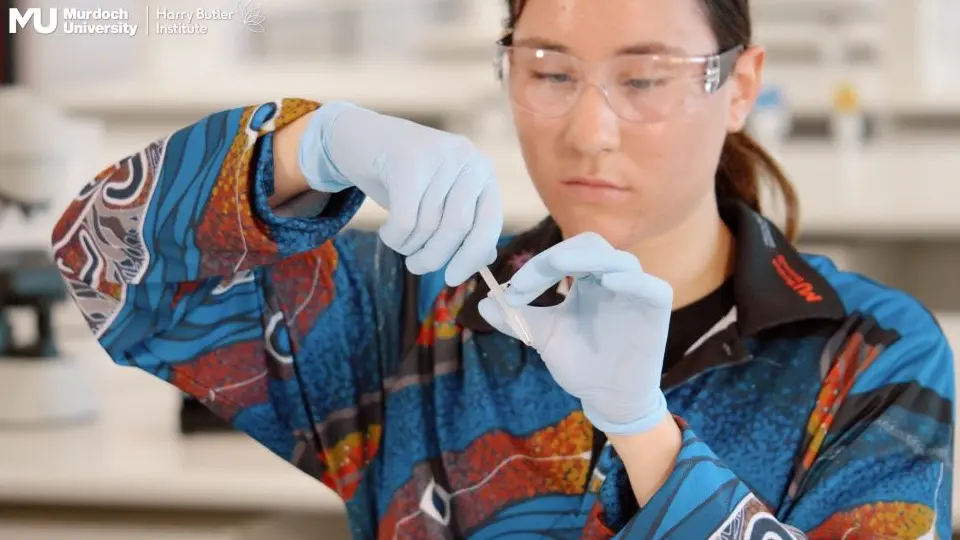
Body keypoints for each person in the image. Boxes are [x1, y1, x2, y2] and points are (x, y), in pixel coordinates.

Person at [50, 0, 953, 537]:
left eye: (645, 80)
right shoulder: (409, 307)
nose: (588, 130)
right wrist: (305, 149)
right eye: (549, 72)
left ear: (741, 84)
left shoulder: (873, 359)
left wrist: (646, 435)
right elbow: (102, 263)